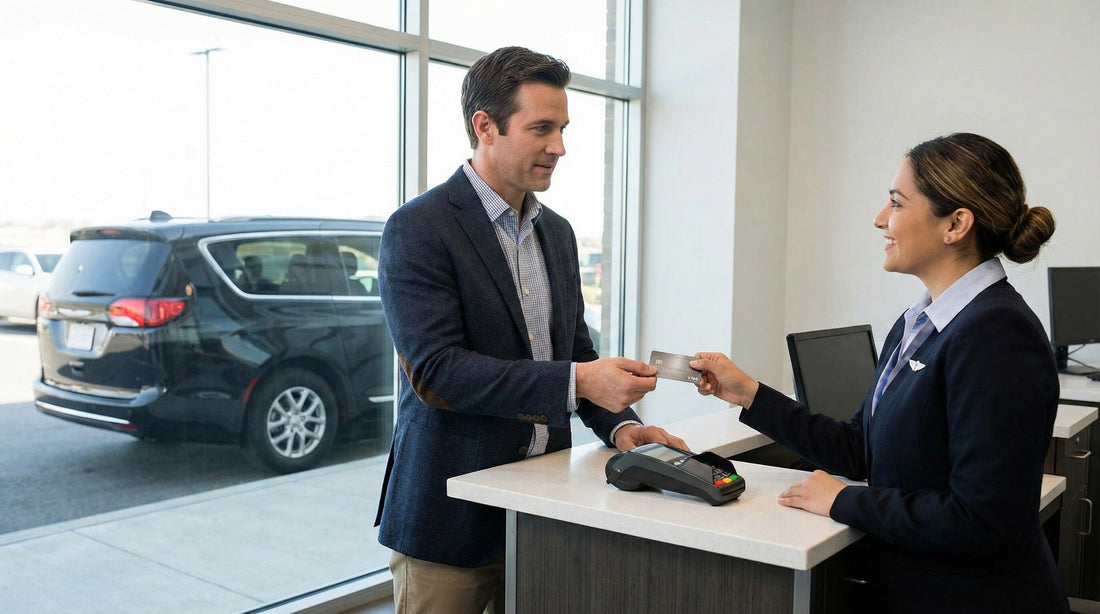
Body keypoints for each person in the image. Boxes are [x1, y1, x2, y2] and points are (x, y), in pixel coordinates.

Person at [690, 133, 1068, 613]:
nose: (879, 219)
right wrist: (748, 394)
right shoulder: (922, 323)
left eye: (896, 203)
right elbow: (859, 447)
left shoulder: (998, 333)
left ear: (956, 224)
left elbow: (984, 520)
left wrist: (843, 502)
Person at [374, 46, 687, 614]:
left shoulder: (558, 233)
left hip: (546, 511)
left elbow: (575, 354)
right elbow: (438, 373)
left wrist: (620, 428)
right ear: (485, 126)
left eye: (563, 128)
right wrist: (581, 383)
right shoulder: (418, 228)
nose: (559, 147)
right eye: (542, 128)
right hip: (450, 516)